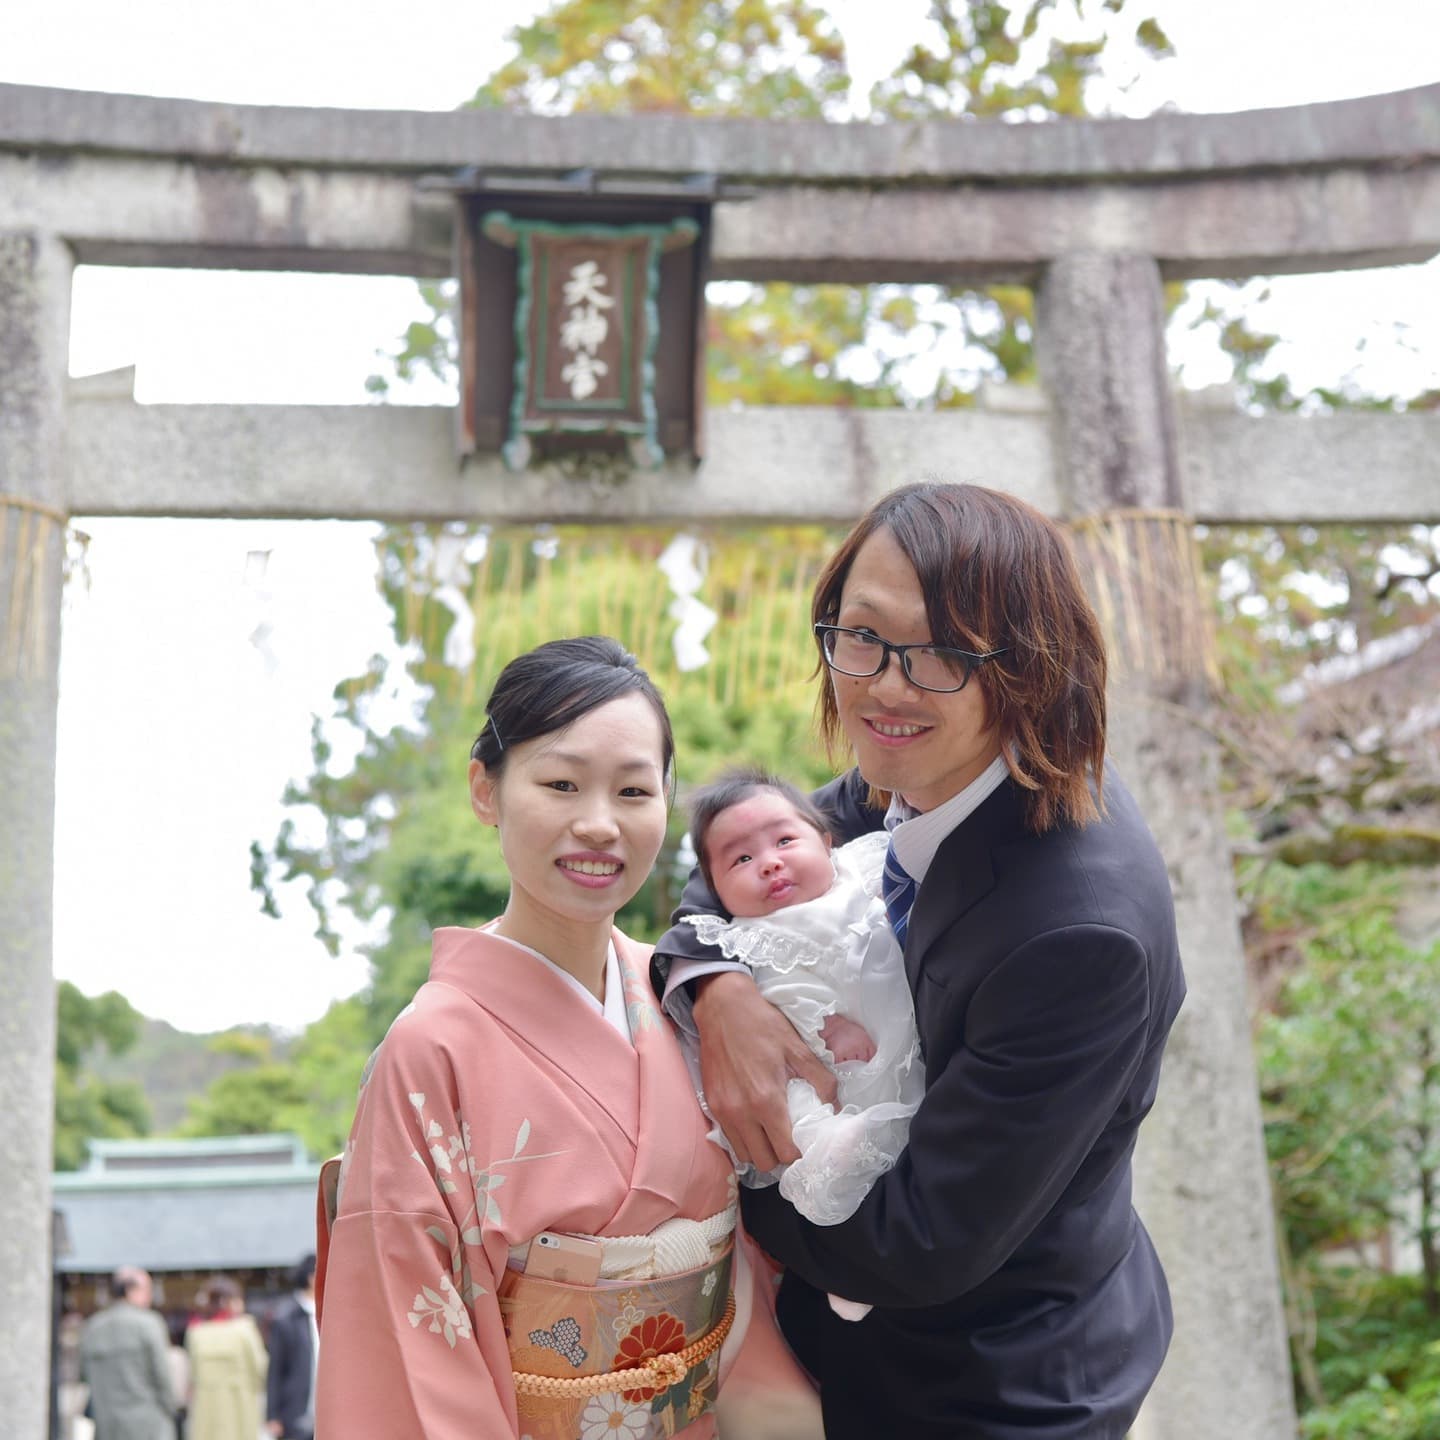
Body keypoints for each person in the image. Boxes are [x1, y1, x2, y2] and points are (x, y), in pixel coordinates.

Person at [655, 481, 1188, 1439]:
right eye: (862, 637)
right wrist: (720, 988)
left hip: (993, 1387)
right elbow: (733, 869)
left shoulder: (1077, 933)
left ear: (1028, 665)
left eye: (945, 651)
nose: (887, 685)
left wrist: (729, 1172)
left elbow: (916, 1244)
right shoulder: (916, 766)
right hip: (845, 1349)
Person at [314, 636, 819, 1440]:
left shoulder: (692, 998)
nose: (599, 825)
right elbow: (407, 1340)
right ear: (486, 790)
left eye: (632, 790)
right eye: (559, 783)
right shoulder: (431, 1049)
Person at [681, 768, 923, 1229]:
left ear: (827, 842)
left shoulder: (859, 872)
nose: (769, 863)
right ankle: (829, 1154)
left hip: (900, 1036)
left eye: (785, 841)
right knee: (798, 1106)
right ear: (714, 893)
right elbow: (784, 998)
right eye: (742, 860)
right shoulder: (756, 937)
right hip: (832, 1062)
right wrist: (828, 1025)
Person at [78, 1266, 177, 1440]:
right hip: (148, 1424)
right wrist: (172, 1409)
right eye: (147, 1290)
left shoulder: (92, 1327)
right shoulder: (149, 1323)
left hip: (107, 1424)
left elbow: (83, 1376)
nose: (150, 1296)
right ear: (131, 1290)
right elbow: (162, 1376)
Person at [184, 1277, 267, 1440]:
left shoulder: (196, 1333)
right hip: (240, 1406)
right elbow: (260, 1368)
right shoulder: (245, 1330)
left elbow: (192, 1376)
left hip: (206, 1409)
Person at [264, 1254, 317, 1439]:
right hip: (294, 1411)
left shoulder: (331, 1313)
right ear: (312, 1277)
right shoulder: (285, 1318)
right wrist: (272, 1415)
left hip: (326, 1409)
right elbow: (275, 1370)